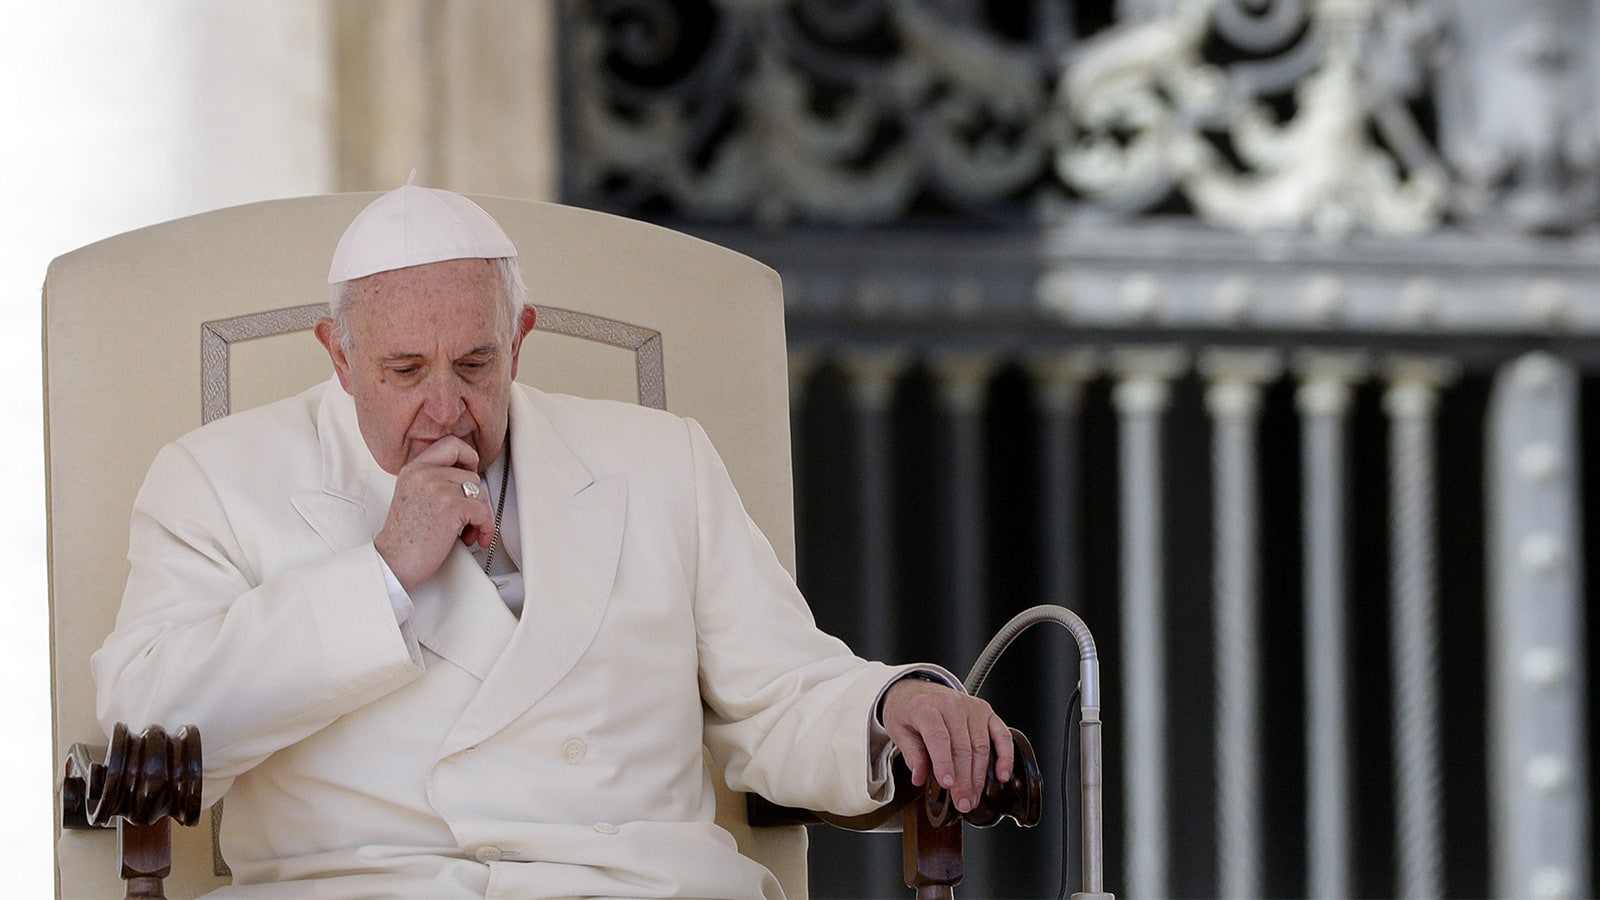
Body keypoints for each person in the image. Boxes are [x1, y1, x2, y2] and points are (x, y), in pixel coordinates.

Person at [92, 181, 1012, 898]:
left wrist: (889, 707)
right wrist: (379, 577)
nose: (445, 406)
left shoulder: (662, 461)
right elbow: (151, 719)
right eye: (405, 369)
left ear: (521, 338)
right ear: (338, 354)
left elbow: (778, 693)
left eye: (476, 363)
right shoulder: (215, 477)